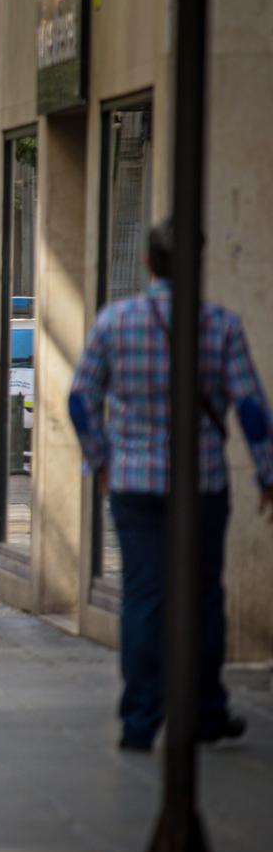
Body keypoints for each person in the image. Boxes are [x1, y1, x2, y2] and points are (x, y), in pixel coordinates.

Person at [69, 219, 273, 752]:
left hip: (135, 482)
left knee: (143, 596)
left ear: (148, 263)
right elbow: (250, 405)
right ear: (198, 264)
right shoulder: (221, 326)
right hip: (202, 481)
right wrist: (267, 472)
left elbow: (80, 399)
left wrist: (101, 460)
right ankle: (205, 709)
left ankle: (140, 719)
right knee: (203, 594)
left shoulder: (115, 322)